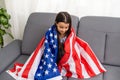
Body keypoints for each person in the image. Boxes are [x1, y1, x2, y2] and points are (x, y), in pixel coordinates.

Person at [7, 12, 106, 80]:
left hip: (65, 56)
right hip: (53, 56)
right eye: (61, 27)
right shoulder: (50, 34)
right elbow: (46, 48)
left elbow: (72, 48)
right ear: (56, 24)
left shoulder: (70, 34)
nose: (63, 30)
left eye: (66, 27)